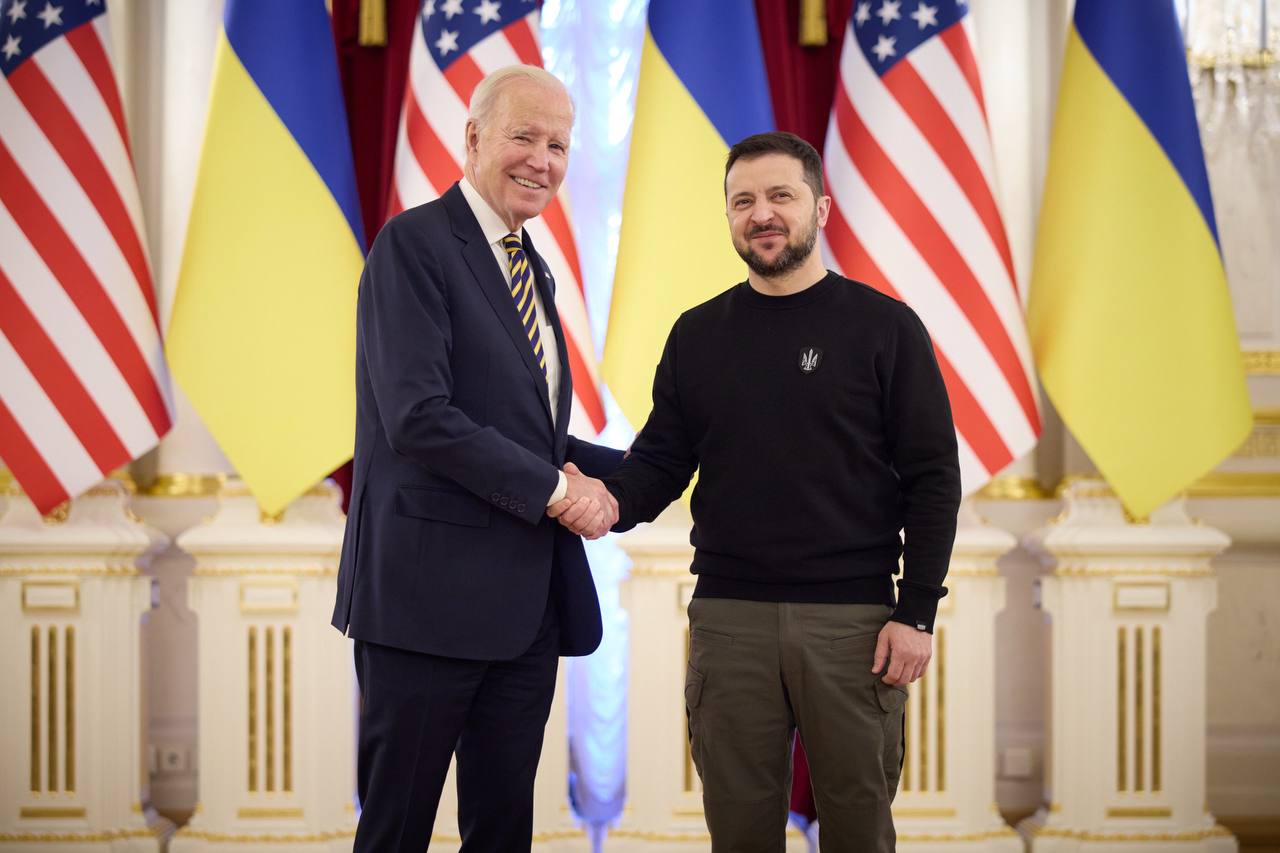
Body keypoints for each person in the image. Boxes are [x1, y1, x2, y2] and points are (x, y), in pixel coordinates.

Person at [588, 131, 961, 852]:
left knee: (859, 830)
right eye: (743, 201)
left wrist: (916, 611)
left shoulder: (886, 328)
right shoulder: (697, 335)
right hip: (730, 622)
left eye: (780, 196)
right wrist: (603, 499)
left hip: (856, 626)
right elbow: (660, 464)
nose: (762, 214)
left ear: (820, 207)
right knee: (739, 833)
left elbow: (934, 479)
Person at [331, 65, 621, 852]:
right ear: (473, 137)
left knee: (501, 833)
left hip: (523, 614)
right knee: (396, 831)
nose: (543, 161)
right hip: (424, 606)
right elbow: (419, 418)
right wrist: (558, 492)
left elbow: (531, 436)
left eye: (558, 145)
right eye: (524, 136)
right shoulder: (414, 245)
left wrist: (653, 468)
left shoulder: (531, 264)